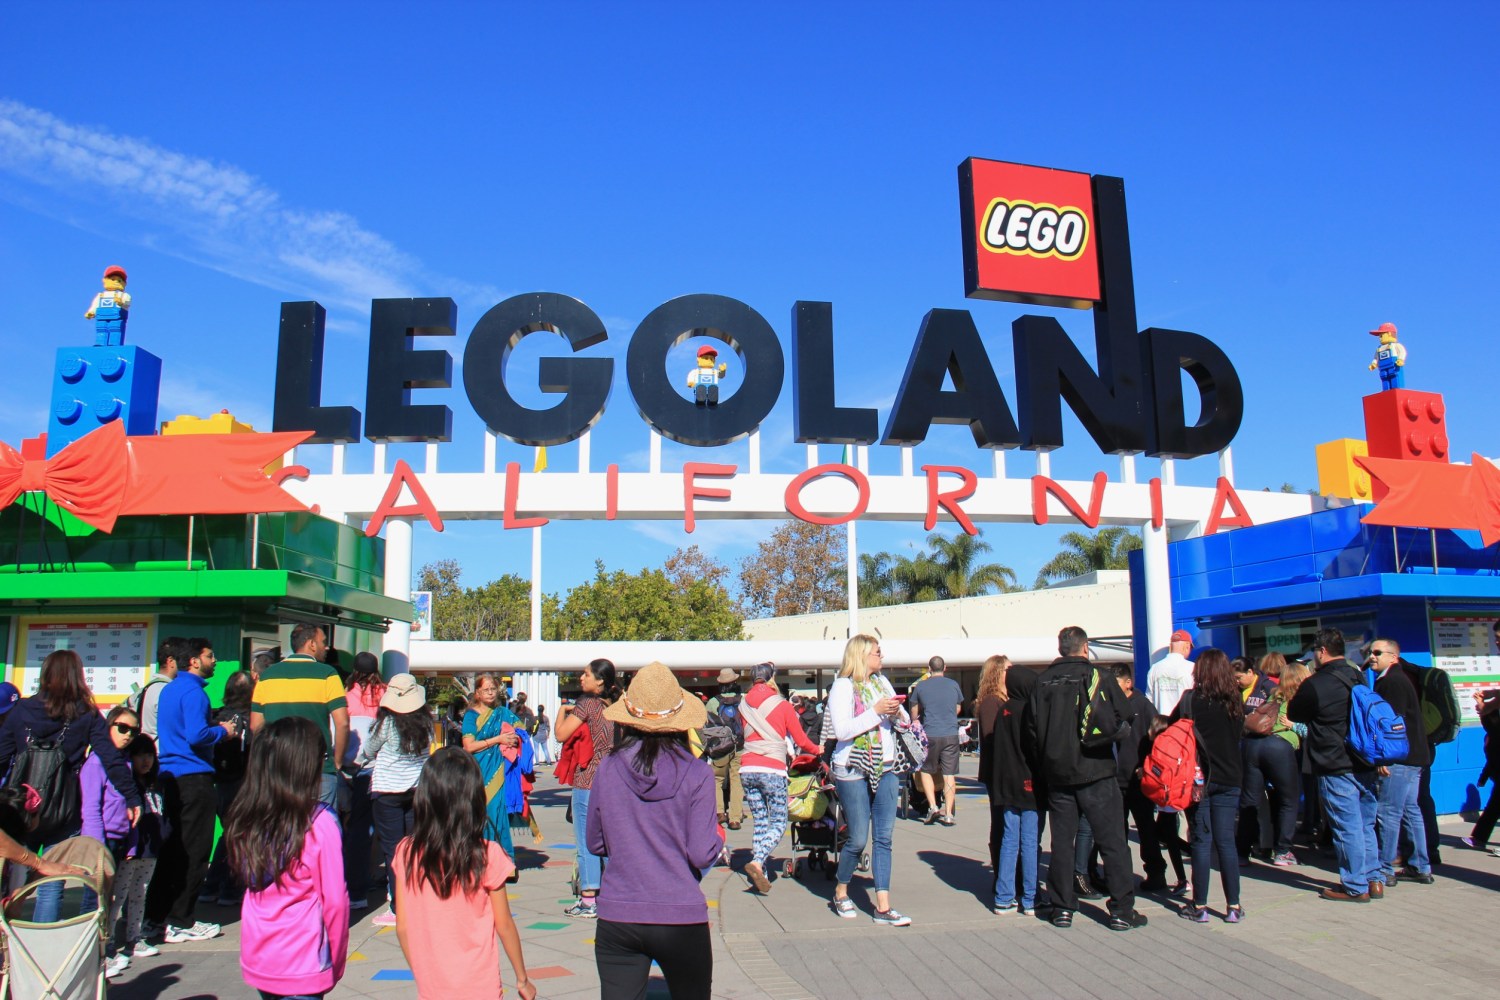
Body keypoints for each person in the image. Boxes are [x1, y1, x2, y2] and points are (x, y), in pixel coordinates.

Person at [588, 661, 722, 998]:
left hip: (619, 911)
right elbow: (701, 851)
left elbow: (594, 841)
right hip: (681, 913)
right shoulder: (698, 774)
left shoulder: (608, 769)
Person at [0, 648, 141, 923]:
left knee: (16, 883)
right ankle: (46, 954)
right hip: (63, 811)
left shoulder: (20, 712)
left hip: (20, 809)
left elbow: (2, 756)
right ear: (77, 677)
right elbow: (110, 758)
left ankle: (13, 949)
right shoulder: (85, 715)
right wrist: (132, 797)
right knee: (52, 884)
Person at [1026, 625, 1145, 931]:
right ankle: (1121, 910)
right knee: (1113, 842)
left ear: (1061, 647)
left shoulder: (1042, 682)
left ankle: (1062, 907)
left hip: (1058, 773)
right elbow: (1125, 714)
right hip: (1096, 769)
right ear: (1084, 647)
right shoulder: (1100, 677)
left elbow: (1032, 731)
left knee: (1062, 842)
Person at [393, 747, 536, 1000]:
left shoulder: (407, 852)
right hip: (480, 986)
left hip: (432, 987)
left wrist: (421, 972)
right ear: (473, 798)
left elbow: (403, 926)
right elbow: (503, 924)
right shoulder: (487, 854)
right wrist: (522, 979)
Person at [226, 716, 348, 1000]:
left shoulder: (248, 816)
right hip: (303, 961)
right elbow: (335, 903)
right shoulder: (319, 823)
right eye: (322, 755)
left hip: (260, 957)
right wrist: (337, 960)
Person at [149, 636, 236, 943]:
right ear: (195, 661)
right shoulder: (194, 693)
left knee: (174, 850)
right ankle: (181, 920)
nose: (214, 662)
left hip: (171, 776)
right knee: (195, 852)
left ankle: (157, 918)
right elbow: (197, 734)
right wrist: (222, 731)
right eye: (210, 656)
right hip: (194, 777)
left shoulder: (170, 689)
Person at [1287, 627, 1381, 902]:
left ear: (1321, 651)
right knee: (1365, 824)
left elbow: (1295, 712)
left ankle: (1354, 886)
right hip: (1364, 759)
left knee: (1346, 826)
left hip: (1334, 761)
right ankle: (1374, 879)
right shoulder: (1357, 675)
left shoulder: (1316, 683)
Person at [828, 634, 912, 926]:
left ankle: (883, 906)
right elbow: (842, 731)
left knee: (884, 838)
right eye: (878, 653)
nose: (882, 657)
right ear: (862, 655)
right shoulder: (842, 687)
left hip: (886, 767)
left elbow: (902, 723)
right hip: (852, 767)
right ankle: (841, 890)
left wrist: (897, 712)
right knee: (858, 838)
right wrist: (876, 713)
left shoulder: (882, 683)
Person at [1172, 649, 1246, 923]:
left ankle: (1199, 905)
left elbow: (1172, 728)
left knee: (1201, 842)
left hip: (1198, 780)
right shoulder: (1234, 700)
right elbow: (1238, 734)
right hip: (1230, 777)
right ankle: (1233, 907)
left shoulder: (1191, 700)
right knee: (1226, 842)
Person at [355, 673, 434, 928]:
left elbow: (368, 750)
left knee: (392, 850)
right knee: (413, 847)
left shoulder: (387, 723)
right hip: (416, 790)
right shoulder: (426, 724)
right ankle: (417, 900)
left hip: (387, 792)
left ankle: (398, 906)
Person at [737, 662, 821, 893]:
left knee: (760, 821)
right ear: (772, 678)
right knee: (778, 821)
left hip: (747, 768)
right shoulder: (783, 705)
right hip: (772, 769)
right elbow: (801, 741)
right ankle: (757, 861)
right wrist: (818, 750)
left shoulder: (742, 705)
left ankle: (761, 872)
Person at [251, 623, 349, 808]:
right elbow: (342, 723)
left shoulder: (268, 676)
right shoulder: (327, 674)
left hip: (278, 767)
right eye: (323, 642)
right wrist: (337, 762)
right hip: (318, 766)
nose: (326, 647)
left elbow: (256, 726)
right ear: (311, 644)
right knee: (321, 827)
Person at [555, 658, 619, 919]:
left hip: (587, 779)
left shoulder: (587, 705)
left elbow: (561, 734)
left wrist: (562, 712)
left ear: (599, 680)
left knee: (586, 840)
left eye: (586, 675)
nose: (582, 679)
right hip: (611, 780)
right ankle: (609, 895)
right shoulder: (613, 706)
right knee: (607, 840)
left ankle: (588, 899)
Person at [1368, 638, 1435, 886]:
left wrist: (1383, 757)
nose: (1372, 656)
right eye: (1370, 652)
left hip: (1401, 757)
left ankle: (1385, 868)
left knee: (1389, 811)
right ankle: (1420, 865)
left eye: (1377, 652)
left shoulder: (1391, 681)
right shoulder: (1396, 678)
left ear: (1393, 657)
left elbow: (1390, 724)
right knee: (1410, 810)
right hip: (1414, 755)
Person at [85, 704, 139, 979]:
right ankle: (93, 957)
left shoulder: (125, 762)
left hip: (118, 842)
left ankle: (103, 953)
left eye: (134, 730)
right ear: (107, 728)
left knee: (109, 900)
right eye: (123, 728)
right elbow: (91, 808)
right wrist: (97, 849)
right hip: (100, 844)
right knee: (95, 902)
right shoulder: (97, 762)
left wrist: (131, 843)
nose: (128, 735)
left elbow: (130, 812)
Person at [1240, 657, 1305, 868]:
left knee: (1251, 799)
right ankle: (1283, 851)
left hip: (1253, 745)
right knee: (1288, 800)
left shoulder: (1272, 696)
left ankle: (1242, 851)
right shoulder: (1298, 700)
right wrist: (1296, 726)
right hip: (1280, 748)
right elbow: (1311, 731)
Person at [991, 661, 1040, 916]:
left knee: (1009, 840)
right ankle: (1030, 898)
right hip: (1029, 783)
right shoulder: (1029, 710)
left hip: (1007, 783)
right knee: (1030, 842)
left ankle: (1004, 896)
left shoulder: (1004, 711)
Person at [461, 673, 526, 862]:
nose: (490, 693)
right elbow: (469, 746)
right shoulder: (471, 716)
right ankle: (479, 858)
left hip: (499, 770)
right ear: (477, 693)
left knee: (498, 811)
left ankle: (503, 861)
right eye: (486, 689)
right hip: (478, 771)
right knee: (481, 813)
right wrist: (498, 739)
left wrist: (514, 737)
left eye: (493, 689)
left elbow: (520, 728)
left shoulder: (502, 713)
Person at [113, 734, 166, 966]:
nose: (145, 761)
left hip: (151, 851)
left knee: (140, 895)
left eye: (149, 755)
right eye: (140, 755)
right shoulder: (128, 785)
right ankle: (108, 941)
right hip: (131, 852)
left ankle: (135, 938)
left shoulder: (156, 784)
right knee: (118, 897)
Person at [203, 669, 254, 907]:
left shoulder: (218, 716)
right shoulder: (250, 719)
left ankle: (212, 885)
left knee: (229, 833)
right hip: (242, 781)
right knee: (239, 835)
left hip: (220, 781)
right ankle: (230, 888)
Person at [342, 652, 385, 912]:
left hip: (350, 768)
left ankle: (353, 881)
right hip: (380, 769)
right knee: (379, 827)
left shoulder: (346, 696)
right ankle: (370, 874)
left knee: (354, 826)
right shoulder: (386, 694)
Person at [910, 655, 964, 826]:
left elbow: (914, 710)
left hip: (930, 733)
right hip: (950, 733)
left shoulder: (921, 686)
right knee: (949, 774)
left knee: (925, 770)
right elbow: (958, 707)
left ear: (929, 668)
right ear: (945, 667)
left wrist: (916, 720)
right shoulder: (953, 685)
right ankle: (948, 813)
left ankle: (933, 806)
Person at [975, 655, 1010, 874]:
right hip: (996, 771)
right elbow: (990, 736)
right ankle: (1000, 869)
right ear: (997, 673)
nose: (1011, 673)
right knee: (999, 821)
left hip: (1005, 770)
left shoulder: (1004, 698)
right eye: (1008, 669)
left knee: (1006, 821)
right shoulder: (990, 702)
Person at [705, 669, 747, 829]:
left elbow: (706, 724)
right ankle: (735, 818)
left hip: (720, 746)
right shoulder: (742, 701)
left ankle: (719, 812)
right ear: (734, 683)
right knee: (737, 780)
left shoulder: (713, 702)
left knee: (717, 779)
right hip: (739, 745)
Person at [1461, 688, 1500, 853]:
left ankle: (1478, 838)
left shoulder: (1495, 734)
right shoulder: (1492, 737)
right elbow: (1492, 761)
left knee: (1494, 806)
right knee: (1494, 806)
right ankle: (1478, 838)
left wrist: (1482, 705)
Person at [133, 637, 182, 738]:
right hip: (161, 751)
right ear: (171, 661)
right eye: (185, 659)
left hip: (146, 749)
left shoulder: (142, 691)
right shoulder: (169, 691)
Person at [1147, 629, 1195, 714]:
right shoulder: (1192, 668)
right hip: (1183, 724)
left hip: (1161, 724)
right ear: (1187, 646)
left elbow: (1149, 700)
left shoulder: (1154, 669)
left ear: (1171, 646)